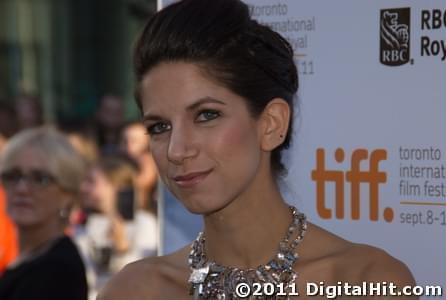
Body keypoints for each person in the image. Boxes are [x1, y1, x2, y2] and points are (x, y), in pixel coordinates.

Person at [98, 0, 416, 299]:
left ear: (271, 124)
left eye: (207, 115)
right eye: (159, 127)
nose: (176, 150)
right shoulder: (135, 290)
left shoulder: (365, 281)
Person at [0, 127, 88, 300]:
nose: (22, 188)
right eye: (13, 176)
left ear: (67, 194)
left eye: (40, 179)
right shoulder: (31, 259)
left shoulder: (58, 269)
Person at [77, 155, 158, 298]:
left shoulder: (144, 224)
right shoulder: (85, 225)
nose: (83, 187)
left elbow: (142, 280)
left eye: (92, 181)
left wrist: (122, 249)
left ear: (116, 186)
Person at [120, 122, 159, 213]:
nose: (128, 146)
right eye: (124, 141)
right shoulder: (115, 164)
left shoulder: (152, 164)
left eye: (134, 141)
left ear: (147, 144)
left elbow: (143, 184)